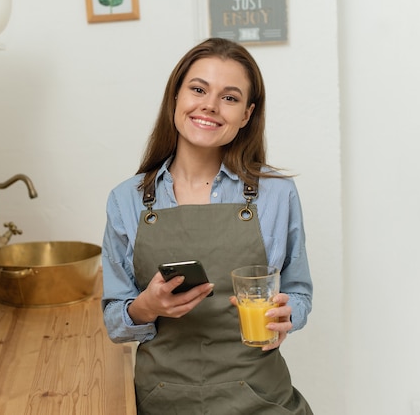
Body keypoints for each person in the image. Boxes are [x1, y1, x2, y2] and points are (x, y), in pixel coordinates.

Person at [101, 37, 314, 414]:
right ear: (176, 98)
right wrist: (146, 307)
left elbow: (298, 291)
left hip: (260, 399)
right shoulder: (127, 200)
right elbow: (116, 321)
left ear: (246, 115)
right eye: (198, 89)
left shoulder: (277, 194)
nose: (210, 106)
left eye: (229, 98)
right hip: (162, 401)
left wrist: (288, 314)